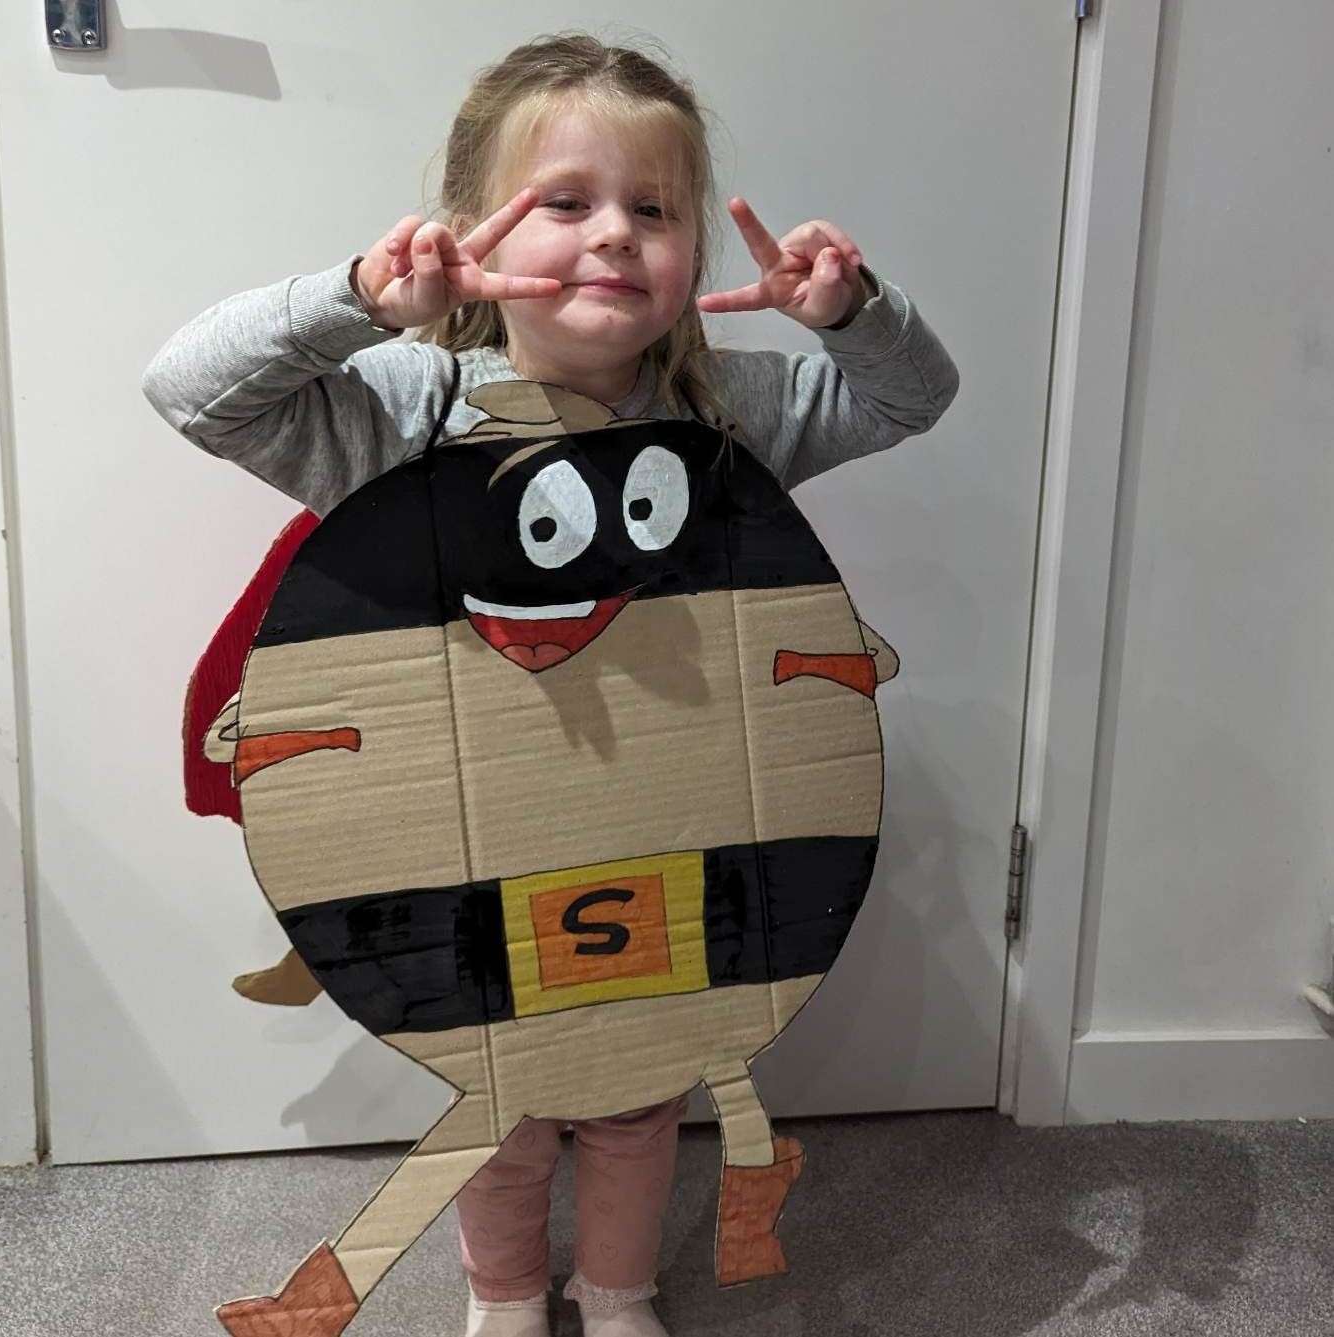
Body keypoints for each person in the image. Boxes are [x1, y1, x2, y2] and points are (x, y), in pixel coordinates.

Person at [142, 29, 959, 1337]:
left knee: (639, 1090)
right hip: (468, 830)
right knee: (504, 1087)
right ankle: (504, 1292)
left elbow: (911, 400)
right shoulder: (407, 411)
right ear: (478, 232)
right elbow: (189, 388)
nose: (614, 236)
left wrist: (854, 315)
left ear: (691, 245)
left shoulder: (724, 412)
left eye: (653, 208)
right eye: (567, 202)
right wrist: (360, 295)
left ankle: (617, 1288)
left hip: (662, 819)